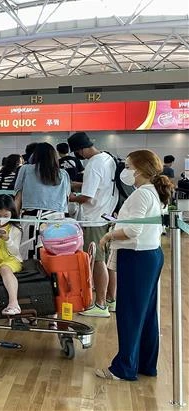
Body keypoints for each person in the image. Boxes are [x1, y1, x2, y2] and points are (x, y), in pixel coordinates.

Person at [95, 150, 173, 381]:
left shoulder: (142, 194)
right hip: (149, 255)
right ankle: (145, 364)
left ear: (138, 169)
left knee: (130, 313)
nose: (125, 171)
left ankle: (124, 367)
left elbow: (132, 230)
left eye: (128, 166)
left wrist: (109, 236)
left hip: (137, 256)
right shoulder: (153, 192)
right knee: (146, 313)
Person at [67, 132, 118, 318]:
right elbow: (101, 186)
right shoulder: (107, 158)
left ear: (80, 150)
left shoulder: (93, 164)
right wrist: (78, 185)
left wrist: (68, 197)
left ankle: (100, 304)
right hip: (108, 216)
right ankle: (112, 300)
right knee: (108, 260)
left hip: (94, 218)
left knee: (97, 260)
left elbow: (87, 197)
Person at [13, 143, 70, 259]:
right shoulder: (63, 174)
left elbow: (18, 197)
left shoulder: (25, 169)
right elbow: (66, 199)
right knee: (53, 255)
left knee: (27, 254)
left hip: (30, 218)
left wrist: (13, 220)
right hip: (56, 220)